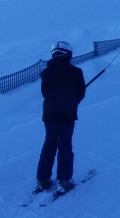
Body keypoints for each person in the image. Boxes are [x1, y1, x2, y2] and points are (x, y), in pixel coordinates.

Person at [36, 41, 86, 193]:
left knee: (49, 145)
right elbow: (80, 93)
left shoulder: (45, 73)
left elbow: (45, 93)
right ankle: (63, 181)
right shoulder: (76, 72)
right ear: (68, 54)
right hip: (67, 116)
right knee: (65, 146)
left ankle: (43, 180)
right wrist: (70, 102)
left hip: (49, 116)